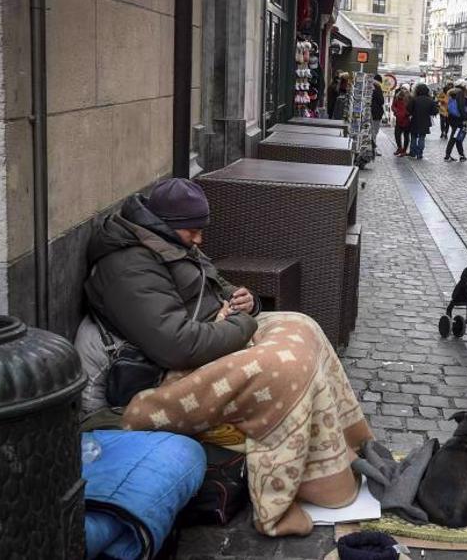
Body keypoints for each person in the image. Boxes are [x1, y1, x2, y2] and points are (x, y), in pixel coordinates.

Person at [79, 178, 373, 537]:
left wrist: (243, 299)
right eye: (193, 231)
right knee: (286, 370)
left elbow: (214, 285)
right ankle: (293, 495)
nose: (200, 239)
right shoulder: (128, 265)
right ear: (165, 224)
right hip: (164, 376)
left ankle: (347, 448)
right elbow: (175, 346)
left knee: (303, 326)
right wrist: (242, 322)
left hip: (213, 336)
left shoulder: (169, 241)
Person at [444, 80, 467, 162]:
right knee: (455, 137)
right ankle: (447, 156)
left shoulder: (451, 92)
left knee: (458, 137)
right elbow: (461, 106)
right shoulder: (460, 93)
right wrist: (464, 119)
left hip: (452, 118)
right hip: (459, 120)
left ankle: (461, 155)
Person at [408, 83, 436, 160]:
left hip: (415, 120)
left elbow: (408, 109)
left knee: (413, 136)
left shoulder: (414, 99)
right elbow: (435, 111)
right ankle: (419, 153)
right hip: (425, 121)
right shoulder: (430, 100)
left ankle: (413, 152)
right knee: (422, 137)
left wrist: (413, 113)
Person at [392, 88, 412, 156]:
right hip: (399, 120)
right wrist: (396, 111)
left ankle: (404, 150)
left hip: (406, 120)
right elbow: (393, 106)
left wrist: (407, 113)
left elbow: (411, 108)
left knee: (406, 136)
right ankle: (400, 148)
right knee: (397, 135)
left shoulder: (409, 99)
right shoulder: (397, 99)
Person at [370, 74, 386, 158]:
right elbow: (381, 101)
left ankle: (372, 149)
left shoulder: (370, 87)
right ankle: (373, 150)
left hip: (372, 113)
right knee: (374, 132)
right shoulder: (377, 88)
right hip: (376, 114)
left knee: (372, 132)